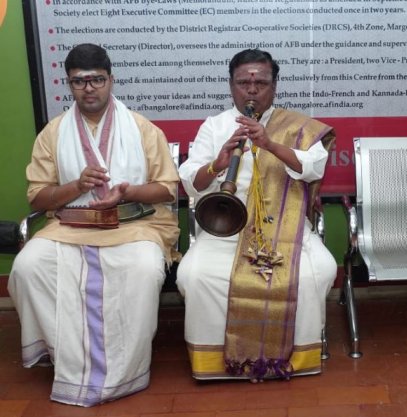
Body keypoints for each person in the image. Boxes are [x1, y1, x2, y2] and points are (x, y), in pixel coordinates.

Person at [8, 43, 180, 407]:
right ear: (68, 85)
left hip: (135, 224)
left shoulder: (142, 129)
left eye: (96, 80)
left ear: (111, 80)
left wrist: (127, 191)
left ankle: (125, 366)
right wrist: (76, 186)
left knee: (143, 267)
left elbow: (167, 188)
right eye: (79, 81)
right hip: (71, 224)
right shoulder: (53, 134)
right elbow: (38, 198)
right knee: (27, 266)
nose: (89, 88)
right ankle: (67, 355)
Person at [177, 49, 337, 381]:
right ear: (231, 85)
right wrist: (217, 164)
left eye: (261, 83)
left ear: (274, 86)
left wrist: (270, 144)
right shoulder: (215, 126)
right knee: (193, 274)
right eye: (243, 83)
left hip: (285, 226)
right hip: (226, 227)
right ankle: (216, 364)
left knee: (320, 269)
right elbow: (192, 183)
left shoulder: (297, 127)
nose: (252, 91)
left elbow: (314, 167)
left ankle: (295, 359)